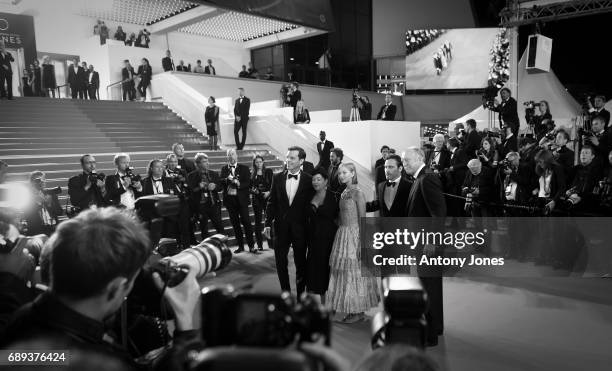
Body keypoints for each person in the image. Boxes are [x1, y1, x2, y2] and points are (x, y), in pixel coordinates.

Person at [0, 208, 203, 370]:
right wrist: (187, 331)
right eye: (131, 281)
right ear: (115, 288)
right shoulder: (99, 362)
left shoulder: (20, 317)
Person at [401, 147, 446, 346]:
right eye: (403, 162)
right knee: (429, 286)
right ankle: (435, 327)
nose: (405, 164)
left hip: (428, 244)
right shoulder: (419, 178)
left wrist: (432, 241)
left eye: (407, 161)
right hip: (421, 242)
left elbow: (439, 212)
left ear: (420, 158)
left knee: (429, 288)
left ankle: (430, 335)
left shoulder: (427, 178)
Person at [326, 163, 379, 323]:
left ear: (353, 173)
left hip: (355, 234)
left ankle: (358, 311)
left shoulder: (357, 192)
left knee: (354, 273)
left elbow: (363, 219)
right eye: (340, 173)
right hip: (343, 234)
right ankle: (352, 309)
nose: (341, 175)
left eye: (344, 173)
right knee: (345, 273)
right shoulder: (344, 191)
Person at [264, 147, 314, 295]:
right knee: (280, 262)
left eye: (292, 158)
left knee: (301, 264)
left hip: (300, 228)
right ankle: (285, 294)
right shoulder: (277, 177)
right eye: (287, 157)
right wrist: (267, 222)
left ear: (301, 160)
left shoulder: (308, 180)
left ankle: (300, 297)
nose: (288, 160)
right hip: (280, 227)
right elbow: (271, 202)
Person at [306, 168, 339, 301]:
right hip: (313, 238)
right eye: (313, 179)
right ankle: (320, 302)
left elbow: (338, 217)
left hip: (329, 238)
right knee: (315, 270)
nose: (315, 182)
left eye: (318, 179)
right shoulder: (309, 195)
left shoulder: (334, 196)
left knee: (328, 269)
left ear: (326, 181)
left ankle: (330, 303)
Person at [221, 149, 255, 253]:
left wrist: (239, 184)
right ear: (227, 157)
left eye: (232, 154)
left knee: (247, 223)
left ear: (236, 156)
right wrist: (227, 180)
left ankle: (251, 245)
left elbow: (248, 183)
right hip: (230, 201)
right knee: (235, 224)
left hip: (242, 201)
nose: (231, 157)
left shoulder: (244, 168)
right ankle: (240, 246)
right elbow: (221, 182)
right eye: (229, 155)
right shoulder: (224, 169)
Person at [188, 153, 224, 240]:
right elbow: (190, 192)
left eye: (207, 161)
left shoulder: (214, 174)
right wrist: (198, 187)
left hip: (213, 204)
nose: (207, 163)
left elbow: (220, 187)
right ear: (198, 164)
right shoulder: (191, 176)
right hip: (200, 206)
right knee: (204, 229)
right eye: (204, 162)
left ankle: (223, 248)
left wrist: (215, 187)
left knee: (220, 227)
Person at [23, 171, 62, 236]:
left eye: (43, 179)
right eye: (38, 180)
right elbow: (27, 216)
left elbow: (60, 212)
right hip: (36, 232)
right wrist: (38, 203)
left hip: (52, 231)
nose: (41, 182)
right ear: (32, 183)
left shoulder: (51, 194)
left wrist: (49, 204)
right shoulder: (27, 197)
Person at [250, 155, 273, 251]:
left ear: (263, 162)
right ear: (254, 163)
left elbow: (273, 185)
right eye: (257, 162)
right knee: (258, 222)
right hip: (257, 200)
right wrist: (255, 191)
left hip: (267, 198)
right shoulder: (252, 174)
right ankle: (259, 244)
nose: (259, 164)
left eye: (260, 161)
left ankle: (271, 243)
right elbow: (250, 188)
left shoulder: (268, 172)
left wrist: (268, 193)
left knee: (269, 221)